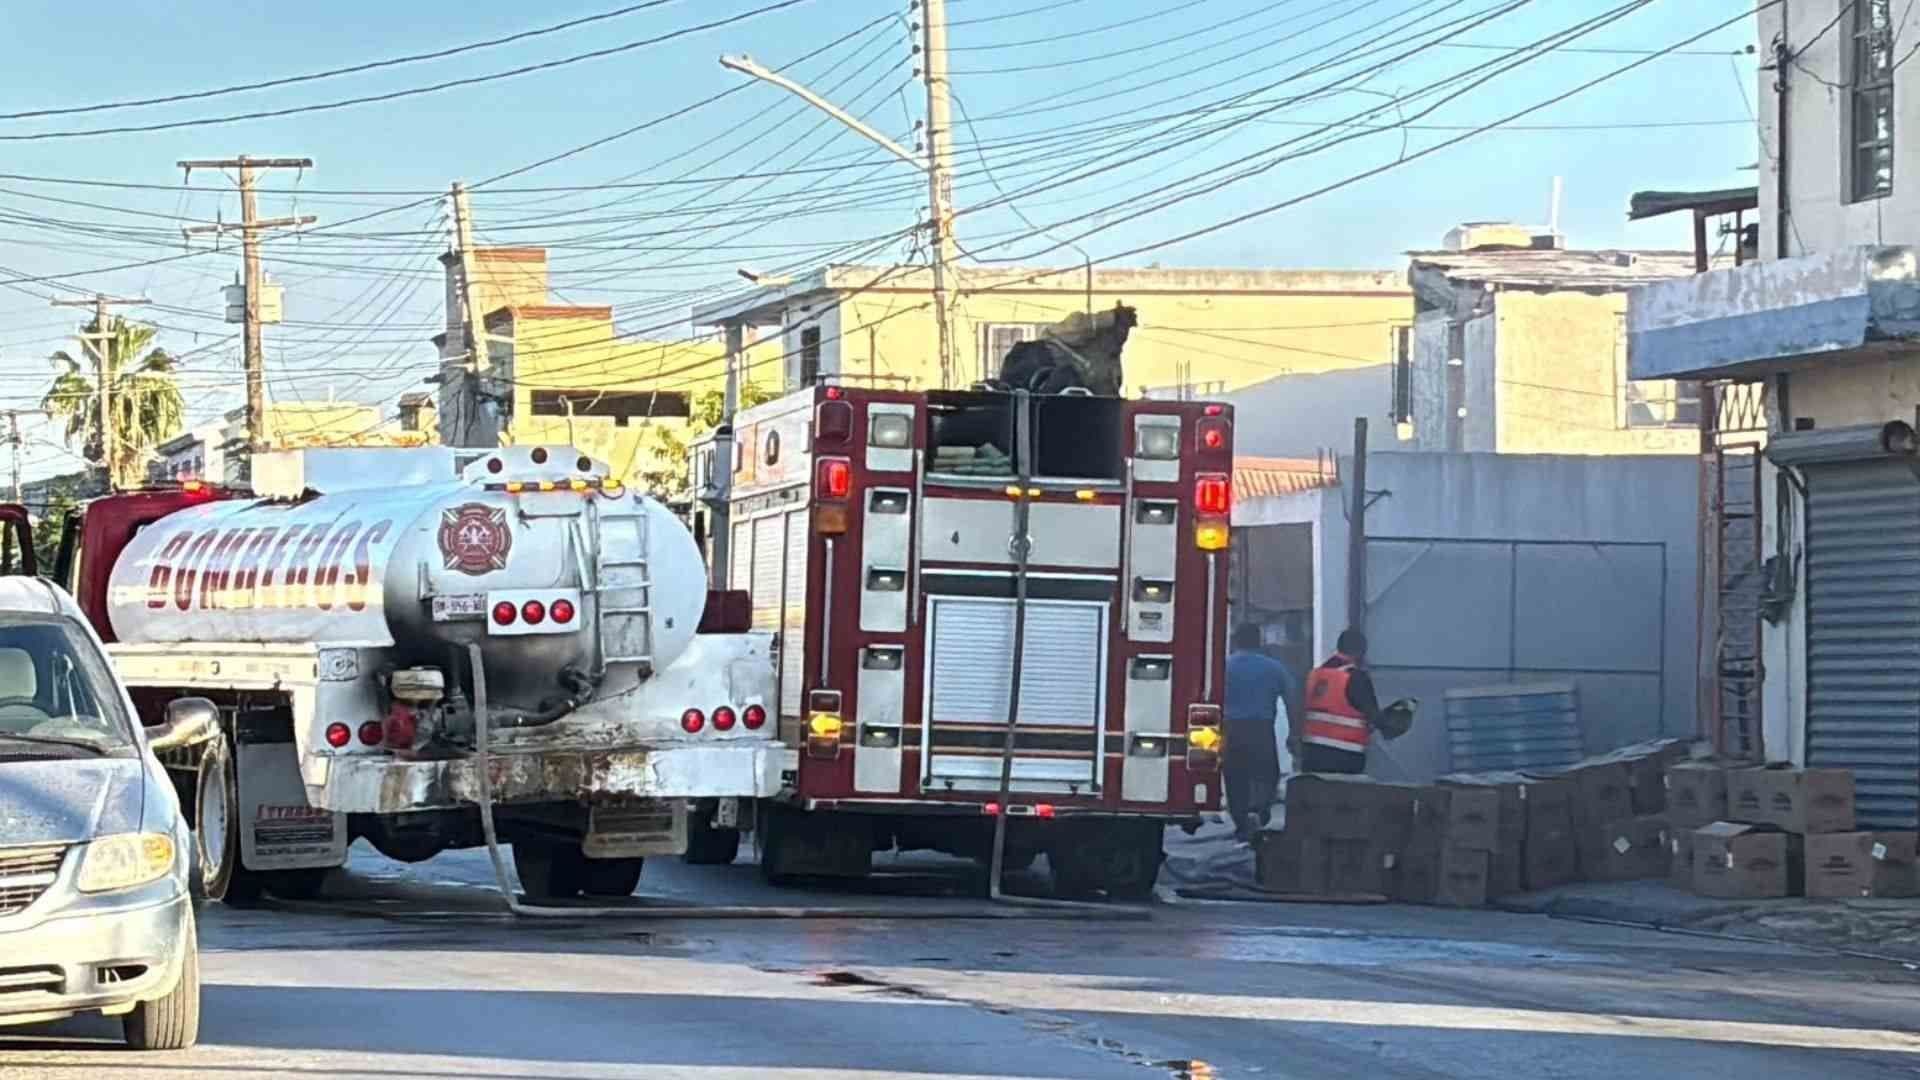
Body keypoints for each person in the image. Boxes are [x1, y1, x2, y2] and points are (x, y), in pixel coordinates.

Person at [1223, 623, 1298, 840]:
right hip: (1261, 730)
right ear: (1259, 642)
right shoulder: (1274, 668)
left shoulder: (1224, 666)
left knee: (1235, 778)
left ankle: (1241, 823)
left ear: (1235, 641)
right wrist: (1294, 733)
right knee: (1266, 774)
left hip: (1231, 730)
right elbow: (1292, 701)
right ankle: (1258, 812)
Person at [1297, 628, 1382, 776]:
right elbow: (1374, 716)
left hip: (1311, 751)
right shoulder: (1356, 677)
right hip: (1345, 754)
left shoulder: (1313, 675)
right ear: (1360, 652)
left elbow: (1300, 709)